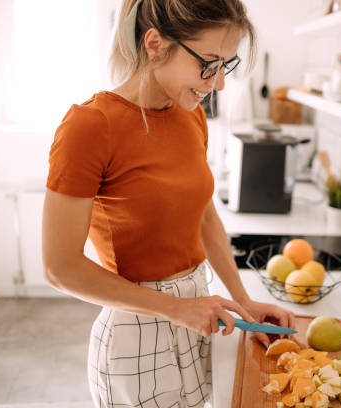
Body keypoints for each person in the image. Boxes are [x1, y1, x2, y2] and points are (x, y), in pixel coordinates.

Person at [41, 1, 295, 407]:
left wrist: (244, 301)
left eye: (225, 66)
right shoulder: (89, 127)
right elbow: (60, 268)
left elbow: (205, 216)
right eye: (209, 64)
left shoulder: (189, 114)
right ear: (155, 44)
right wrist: (176, 308)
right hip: (137, 330)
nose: (219, 84)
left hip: (199, 313)